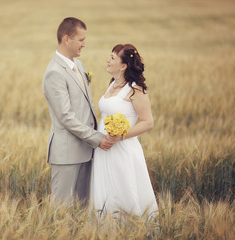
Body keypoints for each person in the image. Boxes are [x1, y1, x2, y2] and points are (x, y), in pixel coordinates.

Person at [42, 17, 116, 206]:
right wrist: (98, 138)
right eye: (81, 40)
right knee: (61, 210)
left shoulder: (79, 66)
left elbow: (85, 107)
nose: (84, 44)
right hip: (66, 154)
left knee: (81, 209)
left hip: (86, 150)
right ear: (67, 39)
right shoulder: (54, 73)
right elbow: (66, 117)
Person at [90, 44, 158, 218]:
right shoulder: (112, 85)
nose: (108, 60)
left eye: (112, 58)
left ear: (123, 66)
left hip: (122, 150)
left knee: (123, 191)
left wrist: (119, 137)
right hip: (103, 149)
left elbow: (148, 122)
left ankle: (132, 231)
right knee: (105, 191)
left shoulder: (135, 90)